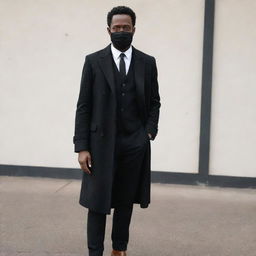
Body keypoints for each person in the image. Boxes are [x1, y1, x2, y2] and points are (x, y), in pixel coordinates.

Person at [73, 6, 161, 256]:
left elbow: (154, 102)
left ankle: (118, 249)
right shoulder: (93, 61)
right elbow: (83, 105)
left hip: (134, 144)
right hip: (100, 144)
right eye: (116, 28)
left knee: (125, 202)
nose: (121, 31)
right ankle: (95, 252)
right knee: (98, 202)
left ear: (134, 29)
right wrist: (82, 147)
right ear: (108, 30)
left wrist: (148, 133)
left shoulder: (147, 62)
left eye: (126, 28)